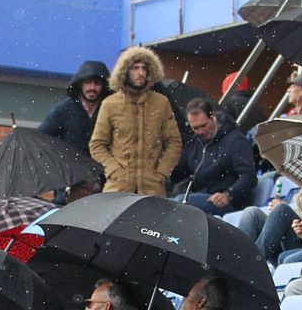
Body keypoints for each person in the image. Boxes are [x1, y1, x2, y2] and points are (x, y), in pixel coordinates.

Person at [89, 46, 182, 195]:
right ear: (125, 71)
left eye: (144, 68)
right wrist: (114, 170)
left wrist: (162, 173)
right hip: (118, 187)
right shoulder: (110, 104)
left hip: (152, 188)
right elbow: (97, 144)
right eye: (135, 68)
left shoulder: (161, 102)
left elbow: (174, 142)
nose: (140, 73)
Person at [168, 98, 256, 213]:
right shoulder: (195, 142)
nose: (200, 132)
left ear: (213, 116)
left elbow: (248, 176)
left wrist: (228, 194)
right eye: (195, 128)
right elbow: (179, 171)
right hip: (202, 196)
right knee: (164, 202)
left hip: (229, 202)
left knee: (180, 203)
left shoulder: (236, 141)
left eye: (203, 125)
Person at [42, 60, 111, 162]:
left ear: (103, 86)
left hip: (103, 171)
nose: (92, 87)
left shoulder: (109, 109)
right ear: (80, 84)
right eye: (87, 82)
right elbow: (42, 138)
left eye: (97, 83)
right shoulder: (64, 110)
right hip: (71, 172)